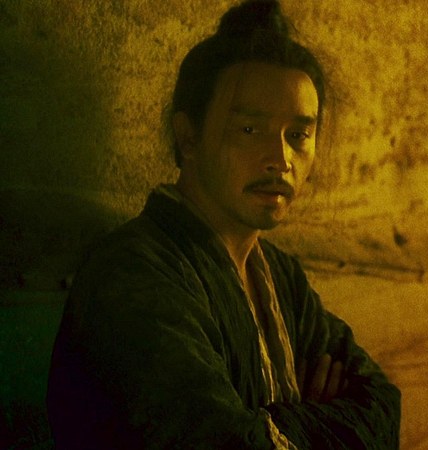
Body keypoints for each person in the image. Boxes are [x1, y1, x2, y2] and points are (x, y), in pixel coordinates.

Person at [46, 1, 401, 448]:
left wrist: (276, 425)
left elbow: (383, 406)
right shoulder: (133, 273)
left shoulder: (281, 277)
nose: (280, 159)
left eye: (298, 135)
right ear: (188, 137)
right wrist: (313, 419)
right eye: (249, 130)